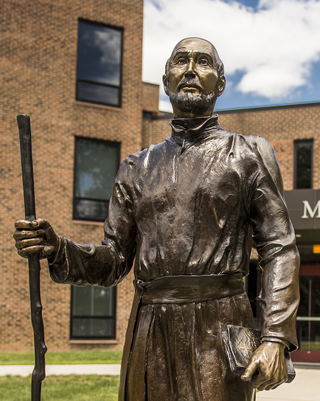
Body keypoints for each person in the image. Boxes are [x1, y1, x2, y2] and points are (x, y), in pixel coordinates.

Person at [14, 38, 300, 401]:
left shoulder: (248, 154)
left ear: (221, 82)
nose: (192, 70)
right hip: (149, 331)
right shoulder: (136, 168)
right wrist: (58, 250)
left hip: (220, 326)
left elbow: (280, 248)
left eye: (203, 62)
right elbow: (115, 260)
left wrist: (275, 336)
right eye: (181, 61)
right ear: (166, 82)